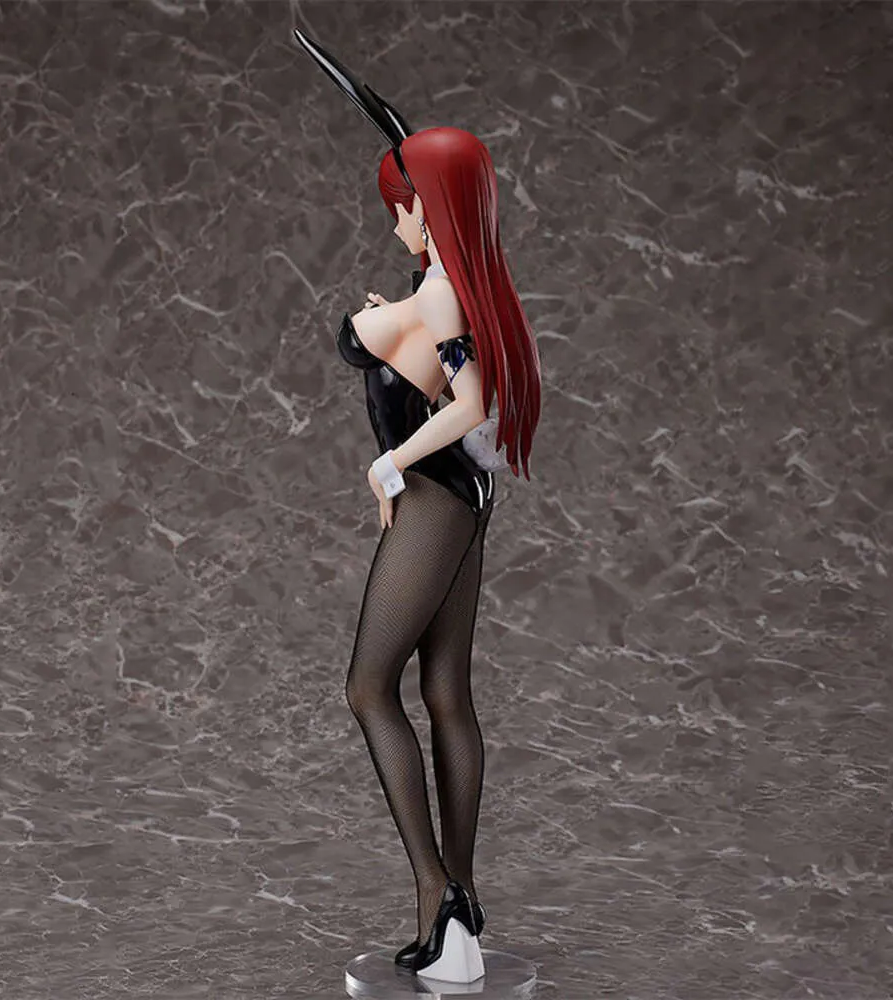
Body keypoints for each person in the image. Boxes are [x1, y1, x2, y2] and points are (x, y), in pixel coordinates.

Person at [296, 29, 542, 983]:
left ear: (421, 207)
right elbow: (452, 381)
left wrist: (389, 464)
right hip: (466, 499)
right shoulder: (456, 286)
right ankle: (459, 911)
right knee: (445, 695)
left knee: (369, 689)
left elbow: (468, 404)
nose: (394, 223)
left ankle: (438, 894)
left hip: (437, 500)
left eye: (398, 208)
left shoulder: (439, 297)